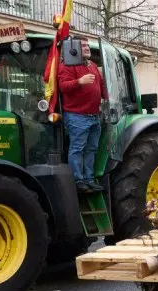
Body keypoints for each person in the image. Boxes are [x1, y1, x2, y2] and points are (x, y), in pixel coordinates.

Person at [58, 36, 107, 193]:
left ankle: (89, 179)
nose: (87, 48)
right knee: (78, 148)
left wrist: (109, 95)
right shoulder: (67, 65)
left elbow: (101, 87)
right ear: (74, 49)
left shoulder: (92, 65)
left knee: (91, 149)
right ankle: (78, 181)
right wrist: (80, 81)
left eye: (87, 45)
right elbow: (63, 86)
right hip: (77, 116)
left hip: (94, 115)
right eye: (83, 46)